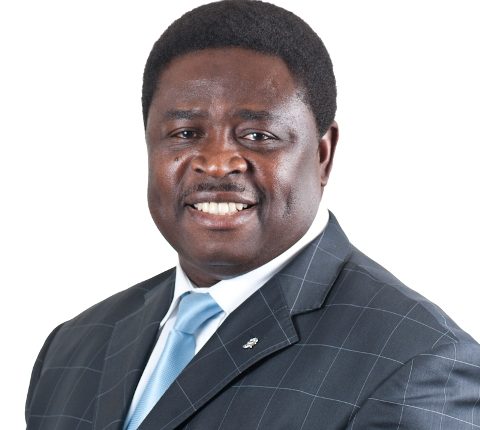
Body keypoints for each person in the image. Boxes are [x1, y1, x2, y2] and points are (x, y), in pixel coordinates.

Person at [25, 1, 480, 429]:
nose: (216, 163)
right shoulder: (73, 347)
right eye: (185, 133)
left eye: (258, 135)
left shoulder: (419, 365)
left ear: (323, 154)